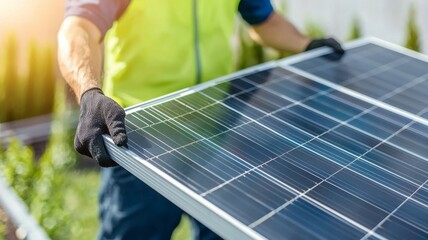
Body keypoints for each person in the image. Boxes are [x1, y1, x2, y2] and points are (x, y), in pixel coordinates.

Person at [57, 0, 344, 239]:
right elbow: (79, 26)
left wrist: (306, 44)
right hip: (139, 141)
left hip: (213, 136)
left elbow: (264, 22)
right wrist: (89, 92)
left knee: (221, 233)